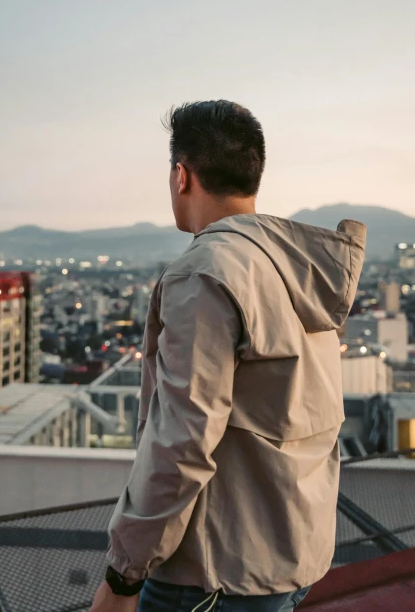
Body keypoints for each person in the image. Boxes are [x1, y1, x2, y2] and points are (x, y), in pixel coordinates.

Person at [90, 100, 366, 612]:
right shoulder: (297, 266)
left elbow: (182, 443)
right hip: (290, 557)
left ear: (181, 175)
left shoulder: (204, 273)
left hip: (212, 573)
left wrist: (123, 575)